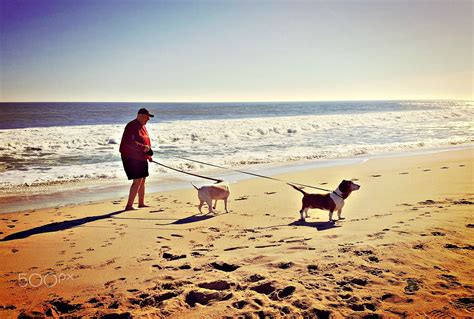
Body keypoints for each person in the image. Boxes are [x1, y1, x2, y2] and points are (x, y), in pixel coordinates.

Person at [119, 108, 154, 211]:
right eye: (147, 117)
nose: (148, 119)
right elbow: (130, 142)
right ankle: (129, 206)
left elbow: (146, 143)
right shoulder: (132, 126)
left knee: (143, 179)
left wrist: (148, 155)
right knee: (137, 180)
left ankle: (141, 203)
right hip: (131, 157)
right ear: (141, 116)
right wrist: (143, 147)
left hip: (141, 156)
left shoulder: (142, 127)